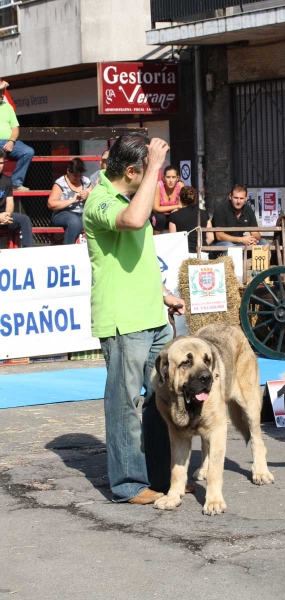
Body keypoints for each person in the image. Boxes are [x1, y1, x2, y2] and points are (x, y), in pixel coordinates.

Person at [83, 132, 186, 505]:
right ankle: (128, 483)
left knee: (162, 397)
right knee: (125, 403)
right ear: (131, 170)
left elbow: (137, 257)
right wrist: (156, 165)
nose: (155, 180)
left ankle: (160, 477)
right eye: (148, 171)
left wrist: (163, 295)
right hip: (123, 321)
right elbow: (133, 219)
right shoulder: (99, 201)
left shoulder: (126, 194)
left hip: (150, 314)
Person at [47, 157, 92, 244]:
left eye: (80, 175)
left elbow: (94, 198)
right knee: (75, 222)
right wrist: (72, 200)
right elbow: (51, 204)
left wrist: (88, 195)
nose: (78, 178)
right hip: (63, 213)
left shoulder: (86, 181)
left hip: (83, 212)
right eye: (75, 175)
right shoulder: (60, 183)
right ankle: (68, 250)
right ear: (68, 171)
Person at [0, 80, 34, 192]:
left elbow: (15, 128)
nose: (2, 94)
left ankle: (15, 183)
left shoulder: (7, 107)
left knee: (28, 151)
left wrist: (12, 141)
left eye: (3, 92)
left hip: (8, 142)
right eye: (0, 92)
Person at [212, 183, 268, 251]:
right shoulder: (221, 209)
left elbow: (256, 233)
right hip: (220, 244)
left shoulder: (248, 210)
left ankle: (268, 262)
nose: (238, 201)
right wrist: (241, 239)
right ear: (230, 196)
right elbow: (219, 236)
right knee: (230, 247)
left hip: (240, 243)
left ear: (246, 198)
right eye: (236, 198)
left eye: (241, 198)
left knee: (264, 244)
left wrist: (252, 240)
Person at [0, 148, 33, 247]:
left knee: (24, 219)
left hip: (4, 216)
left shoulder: (6, 180)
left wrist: (7, 214)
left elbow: (10, 202)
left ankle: (28, 252)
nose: (0, 166)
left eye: (1, 163)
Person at [168, 186, 214, 253]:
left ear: (180, 198)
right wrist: (201, 248)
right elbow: (211, 238)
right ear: (195, 198)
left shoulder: (174, 216)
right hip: (202, 253)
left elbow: (173, 239)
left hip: (184, 253)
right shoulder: (204, 214)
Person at [151, 165, 184, 234]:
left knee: (178, 216)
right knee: (159, 218)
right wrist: (177, 206)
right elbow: (156, 208)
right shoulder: (158, 186)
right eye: (168, 177)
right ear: (163, 178)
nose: (171, 180)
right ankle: (157, 241)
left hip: (173, 216)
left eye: (173, 177)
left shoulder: (180, 186)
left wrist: (178, 208)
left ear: (178, 178)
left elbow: (182, 206)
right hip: (159, 216)